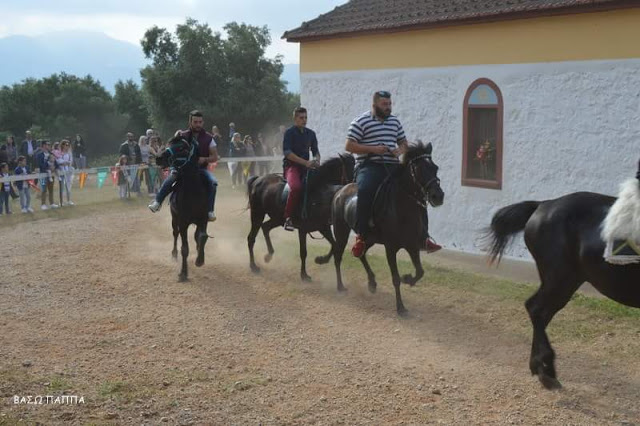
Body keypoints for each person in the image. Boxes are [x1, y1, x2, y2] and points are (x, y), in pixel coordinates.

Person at [346, 90, 441, 257]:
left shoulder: (395, 122)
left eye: (390, 104)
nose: (388, 107)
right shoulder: (361, 121)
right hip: (369, 165)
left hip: (392, 165)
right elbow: (349, 146)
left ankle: (424, 237)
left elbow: (403, 143)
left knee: (417, 190)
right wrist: (373, 149)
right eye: (385, 104)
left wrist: (399, 151)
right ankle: (361, 236)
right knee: (366, 190)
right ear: (374, 105)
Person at [149, 110, 219, 221]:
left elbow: (215, 157)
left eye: (200, 122)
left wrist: (204, 159)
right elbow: (171, 148)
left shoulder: (209, 138)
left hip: (200, 169)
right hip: (180, 168)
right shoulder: (182, 135)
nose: (198, 124)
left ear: (203, 122)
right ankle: (157, 202)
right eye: (195, 122)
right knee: (171, 178)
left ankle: (210, 210)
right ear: (190, 122)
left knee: (213, 183)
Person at [282, 107, 321, 231]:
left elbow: (315, 151)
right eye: (301, 118)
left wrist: (317, 160)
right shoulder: (289, 133)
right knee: (296, 187)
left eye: (306, 117)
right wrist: (306, 162)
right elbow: (287, 153)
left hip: (307, 167)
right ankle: (288, 218)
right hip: (291, 167)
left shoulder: (311, 134)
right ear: (295, 119)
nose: (304, 120)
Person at [57, 140, 74, 206]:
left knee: (68, 186)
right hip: (61, 171)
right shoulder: (59, 153)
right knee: (62, 187)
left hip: (68, 171)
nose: (67, 147)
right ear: (63, 145)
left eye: (68, 145)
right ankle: (61, 202)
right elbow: (58, 161)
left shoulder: (69, 153)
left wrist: (67, 163)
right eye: (66, 145)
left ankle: (69, 200)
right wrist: (63, 162)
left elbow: (70, 161)